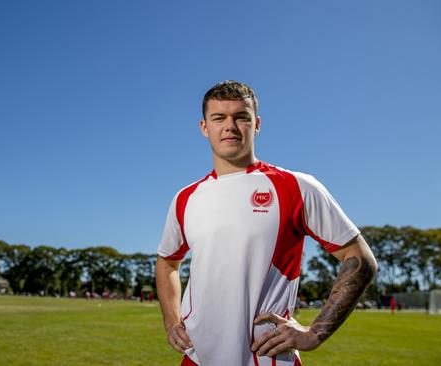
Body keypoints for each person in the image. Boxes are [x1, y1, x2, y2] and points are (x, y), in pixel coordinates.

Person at [155, 80, 378, 366]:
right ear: (203, 127)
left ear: (256, 124)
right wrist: (172, 321)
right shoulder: (186, 198)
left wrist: (314, 333)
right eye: (219, 118)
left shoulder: (296, 186)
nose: (230, 127)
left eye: (241, 117)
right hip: (197, 358)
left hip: (268, 358)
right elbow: (167, 262)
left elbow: (360, 258)